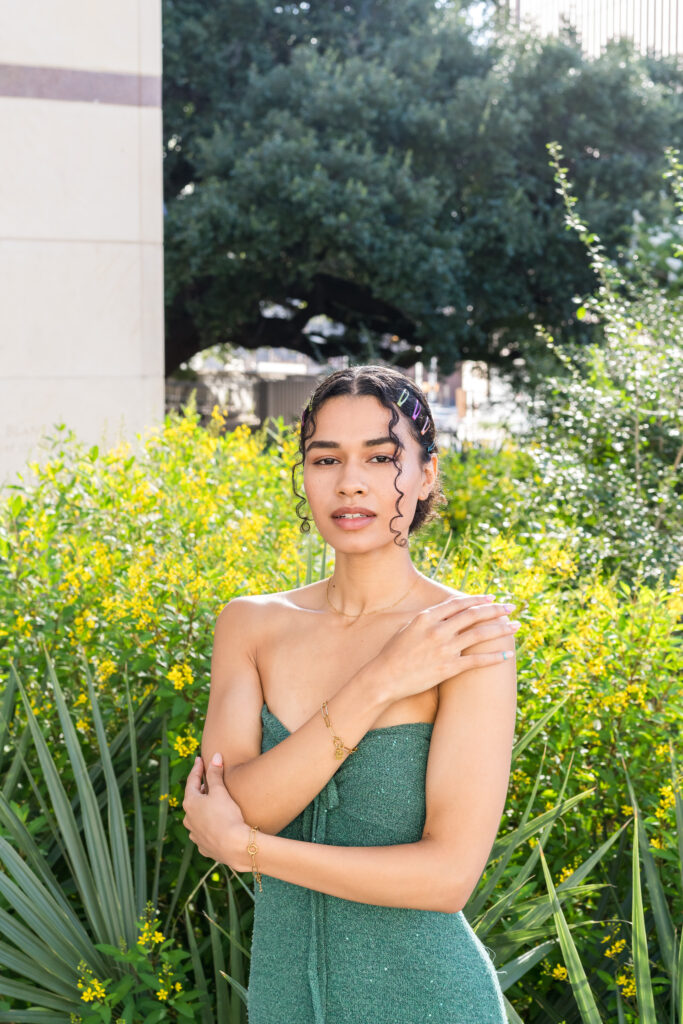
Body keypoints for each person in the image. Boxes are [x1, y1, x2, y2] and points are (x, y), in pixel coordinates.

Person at [183, 364, 520, 1023]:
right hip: (284, 1004)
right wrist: (379, 682)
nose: (350, 481)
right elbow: (242, 806)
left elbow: (446, 877)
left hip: (429, 1001)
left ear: (425, 475)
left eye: (381, 456)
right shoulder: (249, 624)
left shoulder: (467, 639)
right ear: (303, 476)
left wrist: (252, 852)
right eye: (325, 457)